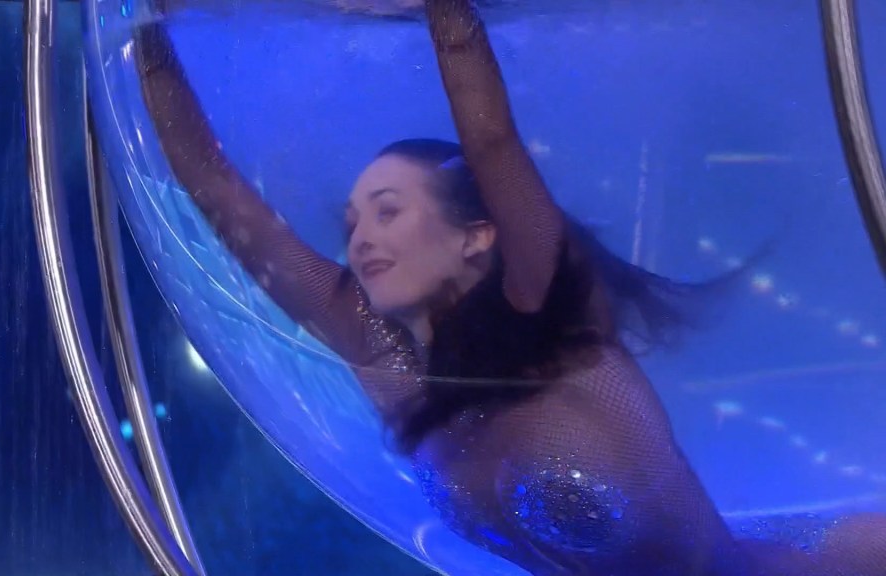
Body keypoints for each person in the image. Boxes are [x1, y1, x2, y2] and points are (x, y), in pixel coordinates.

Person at [132, 1, 886, 574]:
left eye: (388, 211)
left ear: (476, 235)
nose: (361, 239)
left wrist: (443, 10)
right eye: (353, 221)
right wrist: (147, 36)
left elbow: (491, 141)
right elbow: (218, 192)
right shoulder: (393, 367)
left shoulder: (559, 322)